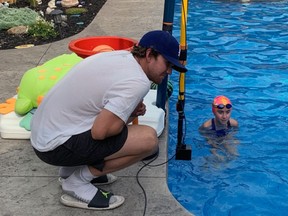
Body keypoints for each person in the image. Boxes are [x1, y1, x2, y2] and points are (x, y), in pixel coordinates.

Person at [30, 30, 187, 210]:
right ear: (150, 54)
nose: (168, 71)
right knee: (148, 140)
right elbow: (100, 132)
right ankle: (77, 182)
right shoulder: (137, 81)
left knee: (119, 130)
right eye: (167, 63)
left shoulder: (121, 57)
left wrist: (126, 112)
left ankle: (70, 170)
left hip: (44, 135)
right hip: (54, 147)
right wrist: (131, 115)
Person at [199, 95, 239, 161]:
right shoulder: (207, 126)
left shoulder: (233, 123)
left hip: (226, 137)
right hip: (213, 139)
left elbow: (233, 135)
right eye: (220, 112)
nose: (224, 116)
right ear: (214, 112)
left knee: (234, 155)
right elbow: (208, 140)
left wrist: (230, 141)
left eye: (228, 112)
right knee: (218, 158)